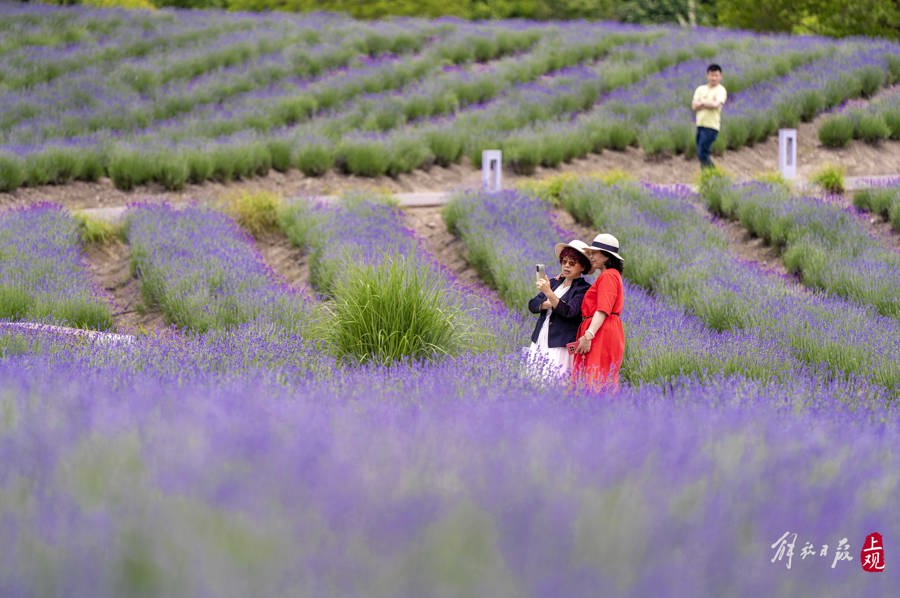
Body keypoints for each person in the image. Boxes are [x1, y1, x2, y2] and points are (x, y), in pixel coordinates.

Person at [526, 240, 592, 380]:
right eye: (564, 261)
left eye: (572, 263)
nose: (566, 265)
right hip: (540, 339)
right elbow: (532, 305)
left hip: (560, 344)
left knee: (555, 383)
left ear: (582, 267)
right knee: (534, 381)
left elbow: (569, 311)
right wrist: (548, 304)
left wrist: (549, 294)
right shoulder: (555, 282)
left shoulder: (583, 289)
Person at [572, 233, 625, 392]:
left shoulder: (608, 276)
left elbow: (603, 309)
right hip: (604, 329)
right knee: (600, 376)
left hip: (601, 331)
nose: (591, 256)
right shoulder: (609, 275)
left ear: (607, 257)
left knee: (596, 376)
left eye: (594, 252)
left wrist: (589, 335)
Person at [692, 63, 727, 169]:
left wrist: (702, 103)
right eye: (712, 75)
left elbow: (716, 105)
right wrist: (708, 103)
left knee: (702, 151)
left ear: (720, 76)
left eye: (716, 75)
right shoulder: (700, 89)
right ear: (707, 75)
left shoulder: (721, 90)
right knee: (701, 153)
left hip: (711, 126)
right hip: (700, 125)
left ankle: (714, 176)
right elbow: (694, 106)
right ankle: (706, 178)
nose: (714, 78)